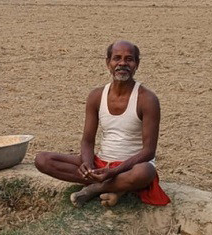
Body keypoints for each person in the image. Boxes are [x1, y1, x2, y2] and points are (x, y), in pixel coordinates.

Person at [34, 41, 171, 208]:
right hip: (101, 164)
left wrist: (113, 172)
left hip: (130, 167)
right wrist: (88, 165)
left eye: (129, 59)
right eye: (117, 58)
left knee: (146, 172)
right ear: (108, 63)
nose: (122, 63)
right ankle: (117, 187)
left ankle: (94, 189)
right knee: (43, 160)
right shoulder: (97, 96)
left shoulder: (147, 99)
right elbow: (87, 141)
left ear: (137, 64)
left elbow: (148, 152)